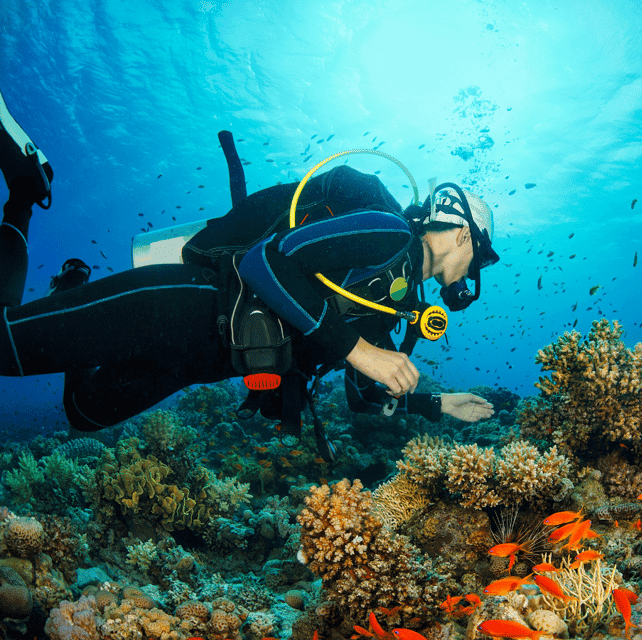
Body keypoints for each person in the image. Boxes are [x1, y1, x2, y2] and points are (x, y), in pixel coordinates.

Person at [0, 88, 496, 457]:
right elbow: (266, 261)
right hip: (187, 306)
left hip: (197, 363)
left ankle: (67, 285)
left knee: (85, 412)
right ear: (462, 235)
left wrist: (435, 404)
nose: (474, 273)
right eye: (479, 257)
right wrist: (364, 352)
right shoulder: (388, 232)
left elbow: (363, 394)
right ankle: (24, 191)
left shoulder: (393, 302)